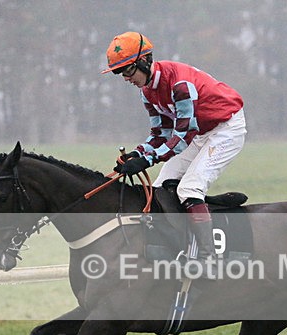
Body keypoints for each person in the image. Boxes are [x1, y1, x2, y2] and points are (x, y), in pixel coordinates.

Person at [102, 31, 246, 273]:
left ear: (144, 61)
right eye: (119, 73)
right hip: (200, 132)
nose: (125, 78)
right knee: (160, 189)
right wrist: (137, 154)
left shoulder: (179, 85)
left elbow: (181, 137)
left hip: (226, 129)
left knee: (189, 188)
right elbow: (160, 133)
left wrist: (147, 160)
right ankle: (178, 245)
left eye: (127, 70)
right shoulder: (147, 91)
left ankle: (209, 259)